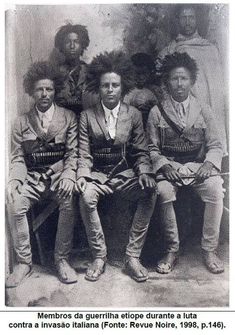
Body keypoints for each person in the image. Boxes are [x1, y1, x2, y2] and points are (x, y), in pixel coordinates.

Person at [75, 51, 157, 282]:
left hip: (124, 175)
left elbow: (141, 151)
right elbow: (84, 153)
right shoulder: (86, 116)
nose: (110, 90)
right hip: (97, 176)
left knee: (151, 192)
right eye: (105, 86)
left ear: (123, 88)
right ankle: (99, 256)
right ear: (98, 88)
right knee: (86, 197)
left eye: (115, 85)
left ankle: (132, 257)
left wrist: (144, 172)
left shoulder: (133, 115)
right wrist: (83, 175)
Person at [147, 52, 224, 275]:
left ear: (192, 81)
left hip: (198, 167)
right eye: (174, 79)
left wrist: (209, 164)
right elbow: (151, 147)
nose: (179, 84)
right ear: (167, 82)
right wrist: (164, 166)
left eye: (184, 79)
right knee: (162, 191)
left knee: (216, 190)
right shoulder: (156, 112)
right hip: (170, 168)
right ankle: (172, 250)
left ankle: (209, 250)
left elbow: (216, 145)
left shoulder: (204, 109)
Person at [6, 61, 78, 287]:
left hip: (58, 178)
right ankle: (23, 263)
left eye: (49, 89)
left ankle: (62, 260)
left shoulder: (68, 117)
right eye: (39, 89)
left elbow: (73, 154)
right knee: (15, 202)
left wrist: (68, 175)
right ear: (32, 92)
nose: (44, 94)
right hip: (33, 179)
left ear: (55, 91)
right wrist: (16, 179)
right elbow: (18, 157)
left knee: (69, 199)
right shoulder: (20, 122)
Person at [157, 4, 227, 154]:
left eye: (191, 18)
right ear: (178, 21)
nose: (187, 22)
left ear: (197, 20)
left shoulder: (211, 49)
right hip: (185, 104)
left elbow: (219, 84)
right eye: (183, 18)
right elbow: (163, 84)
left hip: (212, 104)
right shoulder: (170, 50)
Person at [51, 23, 96, 116]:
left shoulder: (92, 72)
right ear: (61, 46)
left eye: (76, 42)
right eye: (68, 42)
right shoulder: (54, 73)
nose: (72, 46)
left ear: (83, 45)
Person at [123, 52, 160, 130]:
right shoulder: (127, 91)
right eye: (137, 74)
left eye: (145, 73)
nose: (141, 77)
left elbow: (160, 110)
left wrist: (151, 108)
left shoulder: (154, 91)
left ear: (150, 73)